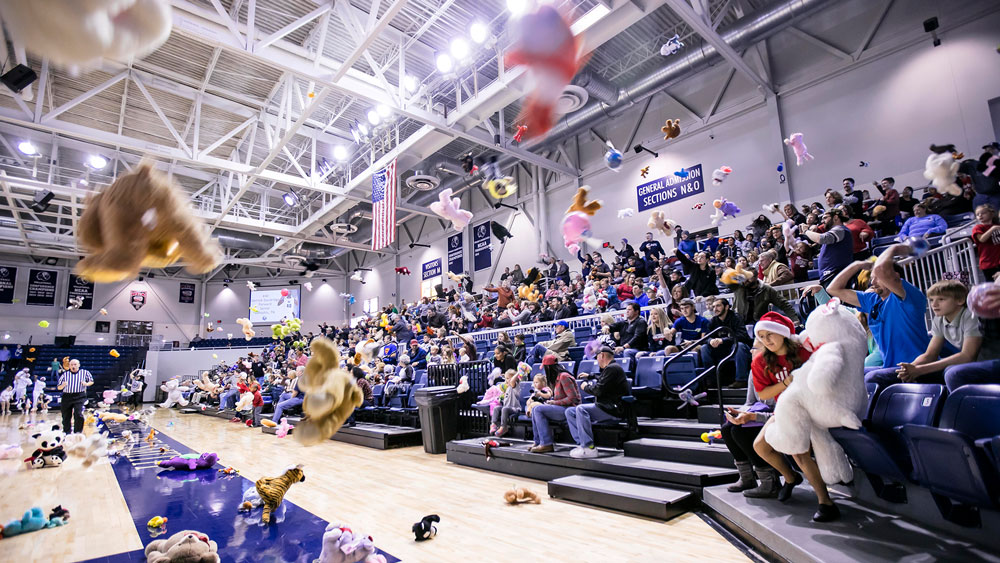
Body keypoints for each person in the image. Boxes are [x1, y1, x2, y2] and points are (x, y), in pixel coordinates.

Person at [746, 314, 840, 522]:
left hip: (813, 406)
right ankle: (791, 477)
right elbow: (764, 394)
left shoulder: (804, 350)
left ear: (782, 333)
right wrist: (787, 383)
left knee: (799, 453)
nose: (766, 340)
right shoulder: (761, 361)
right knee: (760, 446)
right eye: (761, 336)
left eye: (770, 334)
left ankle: (826, 502)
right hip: (786, 408)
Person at [816, 244, 930, 385]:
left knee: (872, 378)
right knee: (845, 373)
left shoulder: (908, 296)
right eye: (872, 278)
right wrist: (857, 265)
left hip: (914, 367)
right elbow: (833, 289)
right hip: (891, 367)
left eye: (877, 278)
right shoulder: (873, 300)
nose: (872, 282)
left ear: (895, 277)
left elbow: (881, 269)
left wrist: (894, 249)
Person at [891, 280, 992, 386]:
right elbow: (930, 355)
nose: (934, 304)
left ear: (960, 300)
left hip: (990, 362)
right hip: (972, 364)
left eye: (941, 299)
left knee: (952, 374)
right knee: (897, 377)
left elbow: (967, 356)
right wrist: (909, 369)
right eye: (931, 300)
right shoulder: (939, 320)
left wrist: (919, 370)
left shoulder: (971, 316)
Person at [566, 346, 629, 458]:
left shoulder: (612, 368)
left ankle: (589, 447)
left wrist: (586, 387)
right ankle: (582, 444)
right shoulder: (611, 369)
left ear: (602, 355)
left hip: (613, 409)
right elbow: (603, 379)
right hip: (606, 407)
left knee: (581, 409)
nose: (597, 360)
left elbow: (599, 390)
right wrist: (590, 376)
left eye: (597, 358)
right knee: (570, 411)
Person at [529, 357, 581, 453]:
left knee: (538, 409)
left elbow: (572, 398)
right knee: (535, 408)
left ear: (548, 368)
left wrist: (554, 402)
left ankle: (546, 444)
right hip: (561, 408)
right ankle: (538, 442)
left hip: (570, 409)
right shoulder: (557, 378)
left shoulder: (564, 377)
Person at [700, 298, 753, 388]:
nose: (715, 309)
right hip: (722, 350)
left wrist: (723, 340)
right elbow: (706, 337)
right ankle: (712, 380)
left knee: (739, 346)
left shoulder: (736, 317)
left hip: (737, 348)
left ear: (727, 307)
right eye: (713, 306)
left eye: (718, 306)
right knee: (704, 348)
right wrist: (711, 341)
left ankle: (741, 380)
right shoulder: (713, 320)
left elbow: (742, 335)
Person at [726, 269, 799, 325]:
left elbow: (783, 304)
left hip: (760, 322)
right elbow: (728, 282)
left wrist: (795, 319)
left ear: (756, 277)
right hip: (740, 322)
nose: (746, 280)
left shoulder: (767, 289)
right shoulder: (739, 287)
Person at [58, 359, 94, 434]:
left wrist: (86, 384)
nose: (73, 366)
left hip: (79, 395)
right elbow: (59, 387)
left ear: (79, 365)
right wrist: (63, 385)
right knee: (66, 415)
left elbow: (91, 381)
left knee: (78, 414)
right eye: (71, 365)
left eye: (75, 364)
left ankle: (77, 432)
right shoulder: (65, 374)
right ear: (69, 366)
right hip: (67, 396)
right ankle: (67, 432)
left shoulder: (85, 372)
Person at [972, 204, 1000, 280]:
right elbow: (982, 239)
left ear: (991, 213)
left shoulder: (997, 225)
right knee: (992, 288)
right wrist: (993, 229)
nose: (980, 215)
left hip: (998, 260)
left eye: (983, 213)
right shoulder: (978, 227)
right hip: (988, 263)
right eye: (977, 214)